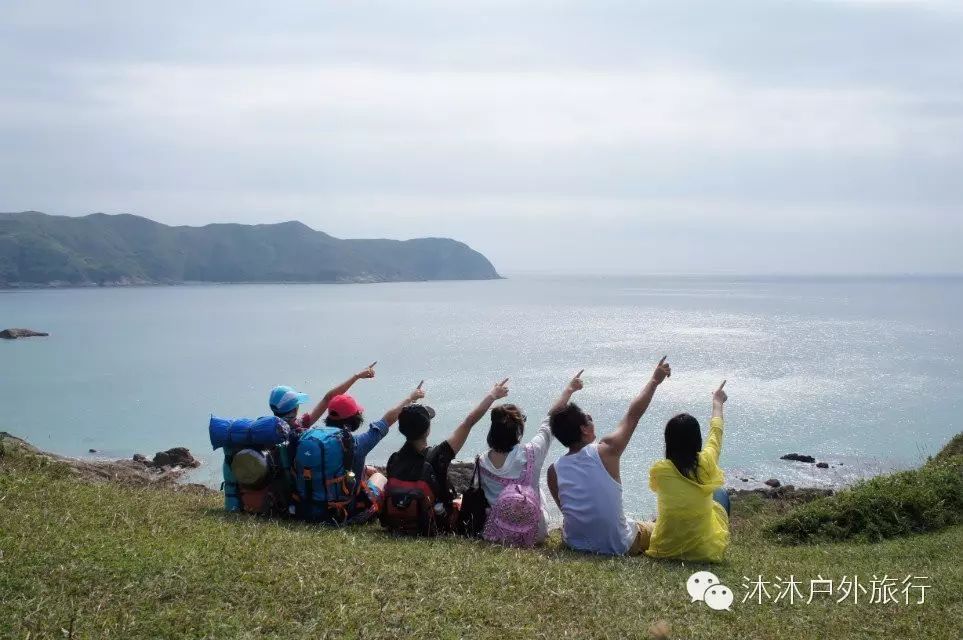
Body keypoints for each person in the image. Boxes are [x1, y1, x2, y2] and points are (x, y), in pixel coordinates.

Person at [547, 357, 672, 556]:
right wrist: (654, 381)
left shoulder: (553, 471)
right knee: (657, 529)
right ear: (584, 430)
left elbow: (567, 511)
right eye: (588, 418)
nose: (592, 419)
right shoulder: (606, 450)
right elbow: (633, 415)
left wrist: (569, 391)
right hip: (619, 545)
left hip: (575, 543)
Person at [384, 378, 511, 532]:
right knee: (462, 500)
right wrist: (493, 395)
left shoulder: (394, 459)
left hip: (399, 520)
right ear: (427, 429)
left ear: (402, 429)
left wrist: (410, 398)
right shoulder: (438, 455)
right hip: (433, 524)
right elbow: (469, 422)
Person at [478, 371, 584, 543]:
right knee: (536, 490)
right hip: (534, 533)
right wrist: (569, 390)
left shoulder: (481, 461)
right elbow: (550, 420)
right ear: (518, 430)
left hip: (498, 533)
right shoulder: (532, 452)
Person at [646, 380, 730, 563]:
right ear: (697, 439)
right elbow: (716, 431)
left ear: (668, 441)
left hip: (664, 549)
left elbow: (657, 489)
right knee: (720, 493)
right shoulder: (707, 461)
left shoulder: (660, 470)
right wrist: (717, 402)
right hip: (705, 552)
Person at [317, 380, 427, 519]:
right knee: (379, 477)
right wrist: (411, 398)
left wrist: (363, 468)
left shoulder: (314, 438)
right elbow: (387, 420)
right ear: (354, 420)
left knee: (367, 471)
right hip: (342, 512)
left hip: (309, 506)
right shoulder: (356, 444)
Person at [268, 362, 378, 432]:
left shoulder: (265, 430)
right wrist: (357, 376)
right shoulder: (300, 425)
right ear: (295, 409)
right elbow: (329, 398)